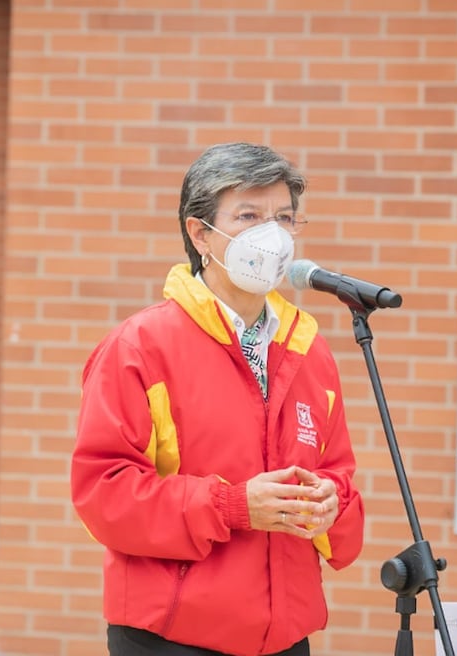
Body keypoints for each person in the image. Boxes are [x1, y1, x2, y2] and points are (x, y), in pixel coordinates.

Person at [70, 142, 365, 656]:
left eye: (284, 217)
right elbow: (103, 493)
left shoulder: (309, 349)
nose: (271, 234)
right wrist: (232, 506)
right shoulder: (140, 347)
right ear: (200, 232)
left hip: (287, 637)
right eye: (249, 215)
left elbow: (338, 474)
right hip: (171, 638)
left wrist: (329, 504)